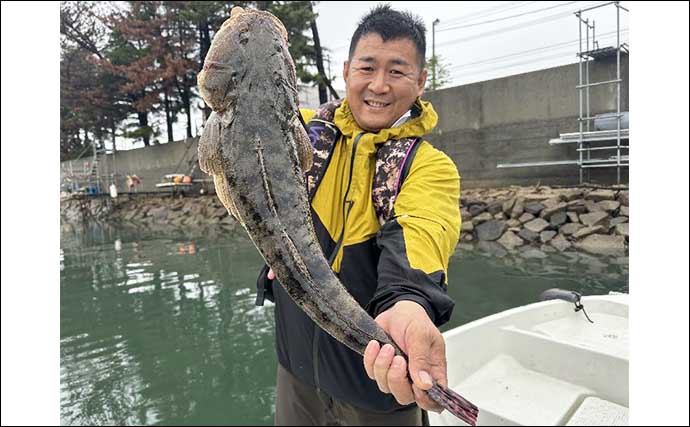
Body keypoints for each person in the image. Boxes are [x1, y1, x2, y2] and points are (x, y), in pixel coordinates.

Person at [257, 5, 461, 426]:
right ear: (346, 70)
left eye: (398, 71)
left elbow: (424, 232)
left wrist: (410, 302)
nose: (379, 85)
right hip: (295, 373)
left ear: (421, 81)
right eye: (367, 68)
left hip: (377, 389)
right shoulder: (301, 135)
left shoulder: (427, 167)